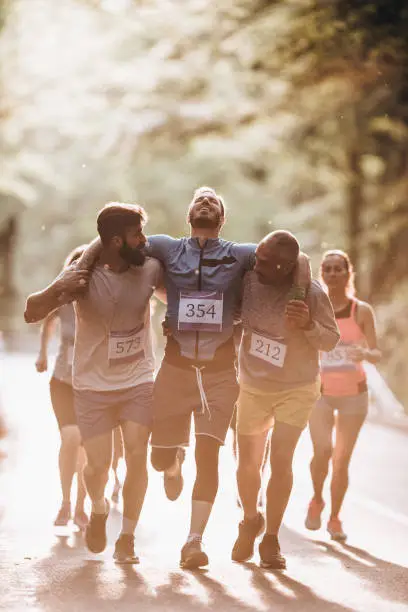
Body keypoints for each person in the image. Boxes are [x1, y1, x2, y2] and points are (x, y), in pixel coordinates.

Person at [71, 186, 310, 570]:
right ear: (188, 214)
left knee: (209, 456)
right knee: (159, 457)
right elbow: (107, 243)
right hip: (176, 369)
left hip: (219, 371)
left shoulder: (241, 254)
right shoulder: (166, 247)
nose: (205, 201)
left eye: (213, 200)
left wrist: (298, 292)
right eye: (199, 198)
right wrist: (79, 269)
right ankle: (172, 459)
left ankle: (193, 542)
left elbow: (297, 256)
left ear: (220, 217)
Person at [25, 203, 163, 564]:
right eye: (137, 233)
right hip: (91, 387)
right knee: (97, 467)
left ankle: (128, 538)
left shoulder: (150, 267)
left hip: (137, 380)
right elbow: (31, 311)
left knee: (136, 454)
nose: (144, 239)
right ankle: (98, 507)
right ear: (117, 240)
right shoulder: (81, 279)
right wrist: (60, 284)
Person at [231, 231, 339, 570]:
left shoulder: (312, 294)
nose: (256, 263)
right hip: (252, 385)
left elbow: (331, 339)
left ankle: (272, 539)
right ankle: (251, 519)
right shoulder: (248, 280)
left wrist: (307, 324)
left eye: (264, 261)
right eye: (257, 256)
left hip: (297, 386)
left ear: (284, 267)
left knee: (281, 459)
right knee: (247, 464)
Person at [305, 250, 381, 541]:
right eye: (328, 268)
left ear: (348, 273)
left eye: (339, 268)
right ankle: (316, 499)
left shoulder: (360, 311)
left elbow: (377, 353)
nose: (334, 273)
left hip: (354, 394)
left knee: (341, 459)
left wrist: (365, 352)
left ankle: (335, 517)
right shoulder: (313, 307)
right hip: (321, 393)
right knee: (322, 451)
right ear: (321, 273)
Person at [35, 246, 88, 529]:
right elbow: (47, 320)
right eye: (75, 265)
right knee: (71, 437)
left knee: (85, 445)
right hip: (62, 380)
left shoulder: (98, 298)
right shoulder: (62, 299)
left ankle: (81, 507)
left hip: (92, 383)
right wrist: (42, 353)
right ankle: (66, 503)